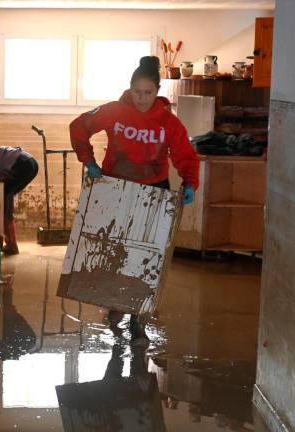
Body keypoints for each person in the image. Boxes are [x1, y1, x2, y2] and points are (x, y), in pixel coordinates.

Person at [68, 55, 200, 342]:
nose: (142, 99)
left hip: (154, 192)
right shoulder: (115, 111)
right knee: (114, 252)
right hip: (116, 189)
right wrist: (88, 161)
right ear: (130, 89)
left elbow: (185, 155)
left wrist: (190, 182)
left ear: (157, 91)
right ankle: (115, 306)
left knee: (147, 257)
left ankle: (139, 317)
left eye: (149, 93)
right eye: (137, 92)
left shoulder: (168, 122)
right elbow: (78, 127)